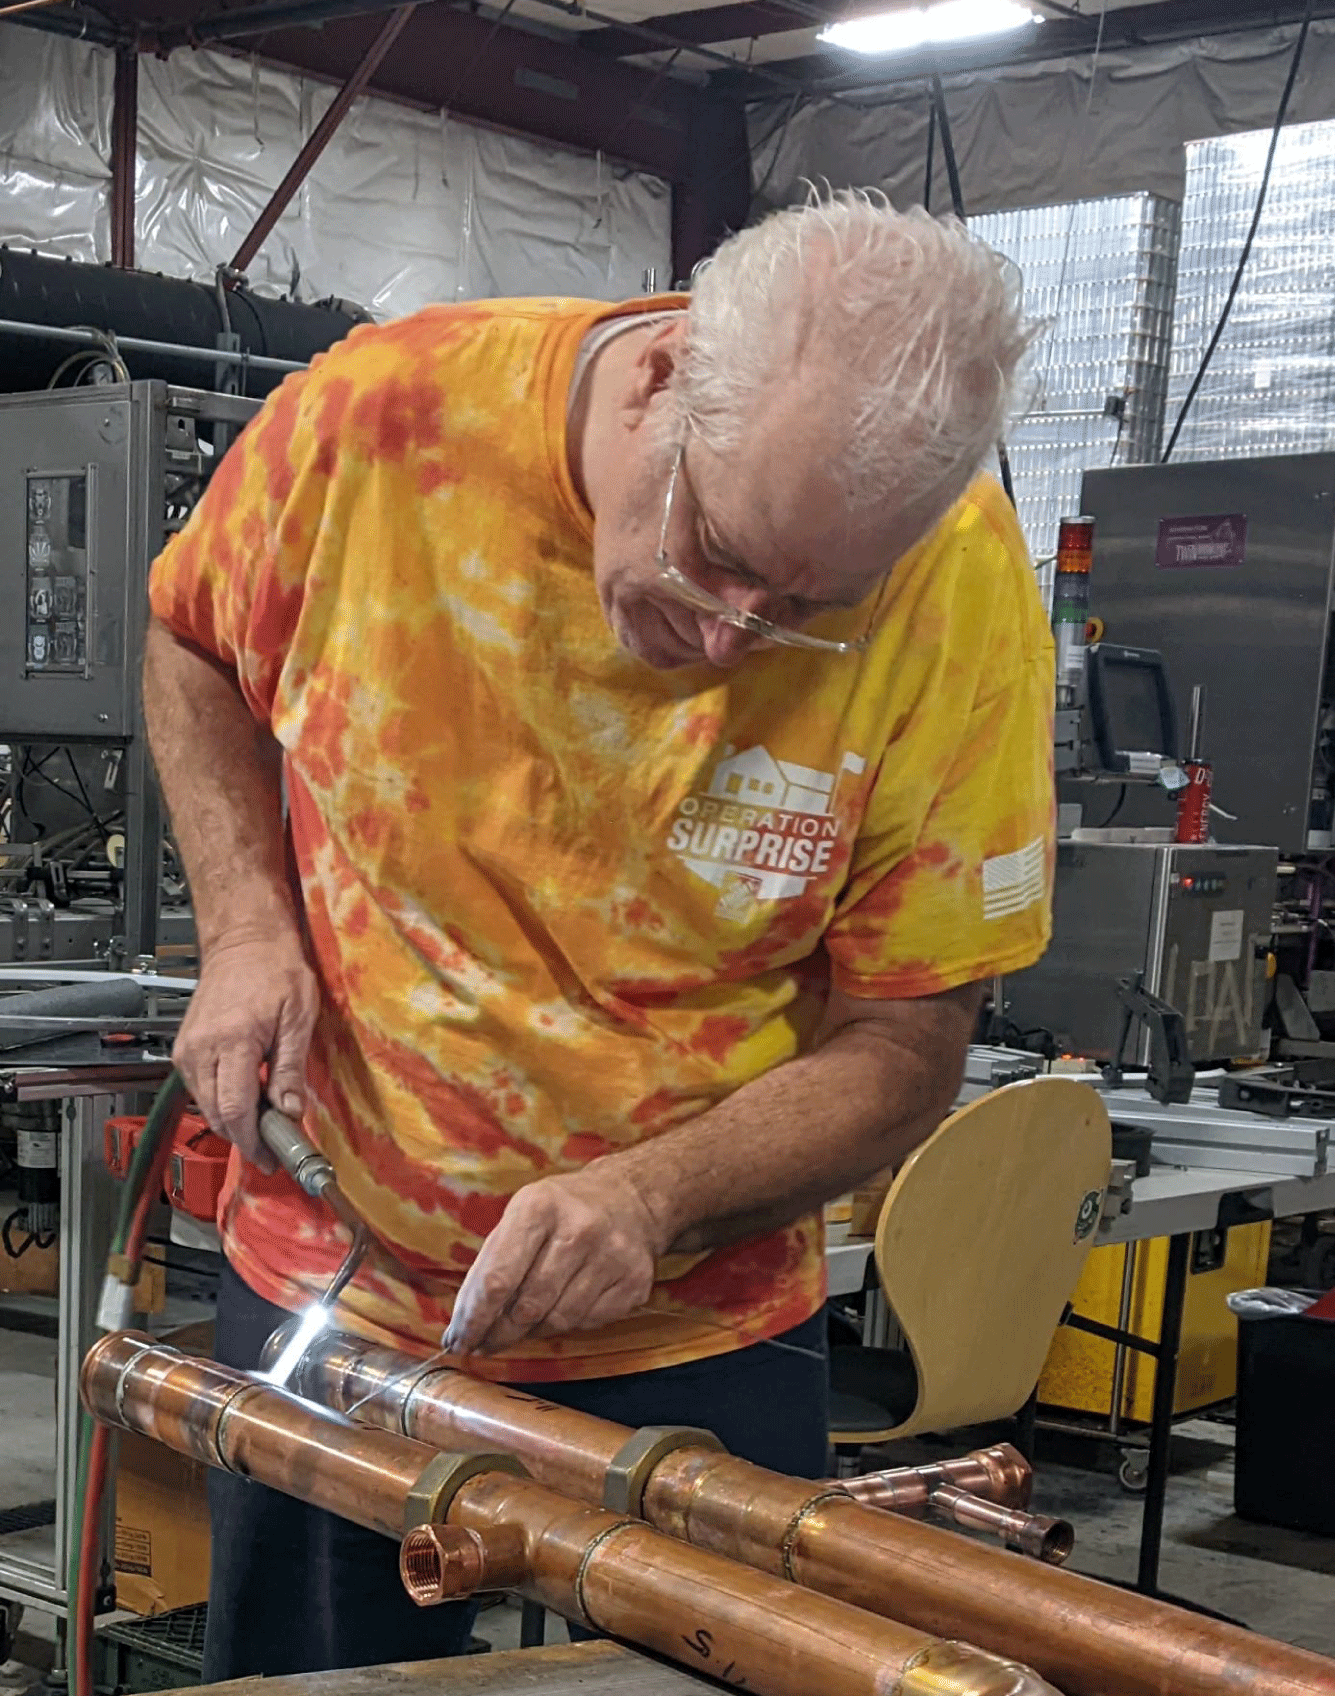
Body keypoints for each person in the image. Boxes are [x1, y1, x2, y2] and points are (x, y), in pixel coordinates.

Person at [142, 191, 1051, 1679]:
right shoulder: (382, 426)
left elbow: (905, 1043)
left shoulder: (957, 583)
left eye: (806, 609)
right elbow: (189, 636)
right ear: (658, 377)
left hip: (700, 1324)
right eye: (715, 549)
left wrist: (654, 1195)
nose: (731, 638)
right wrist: (245, 925)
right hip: (343, 1290)